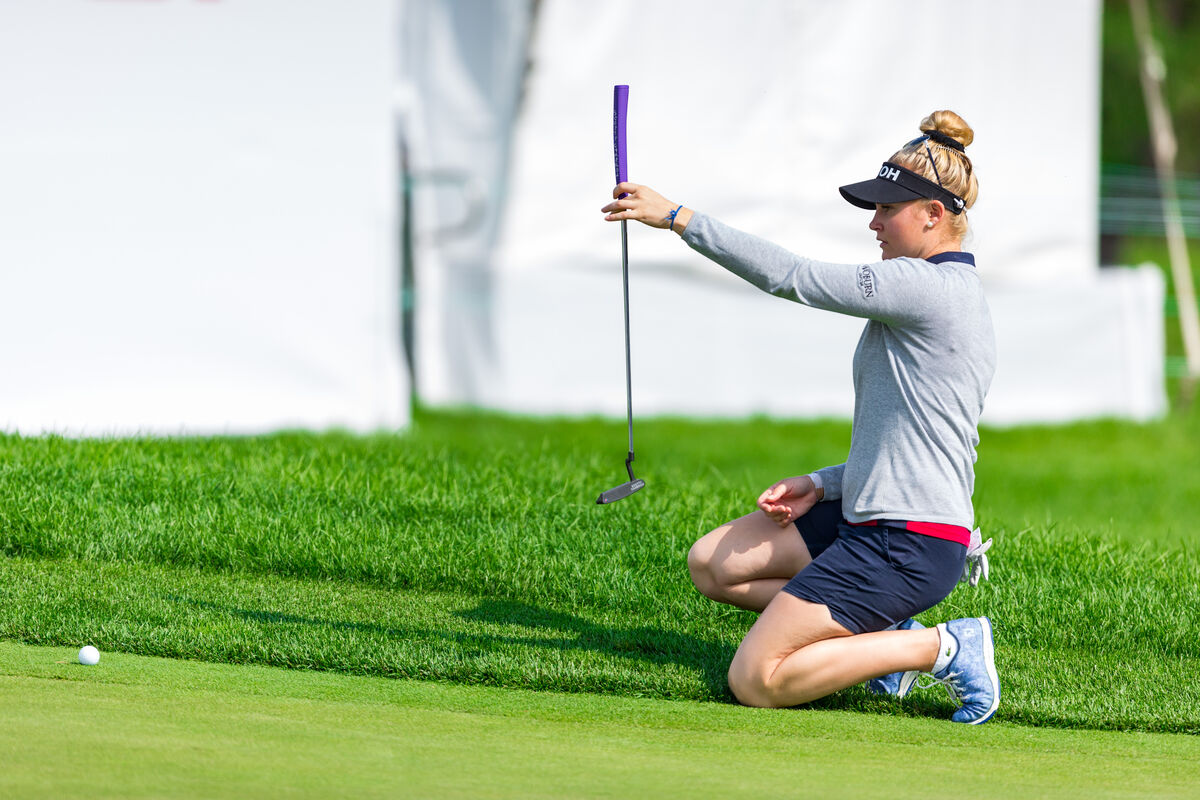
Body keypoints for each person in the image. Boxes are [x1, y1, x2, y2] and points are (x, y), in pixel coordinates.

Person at [600, 110, 999, 724]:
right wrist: (822, 484)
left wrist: (679, 219)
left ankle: (942, 647)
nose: (873, 222)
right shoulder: (927, 290)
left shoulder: (927, 288)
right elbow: (905, 435)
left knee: (756, 680)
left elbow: (796, 278)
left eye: (887, 209)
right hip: (871, 518)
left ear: (933, 214)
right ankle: (879, 647)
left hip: (907, 543)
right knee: (714, 564)